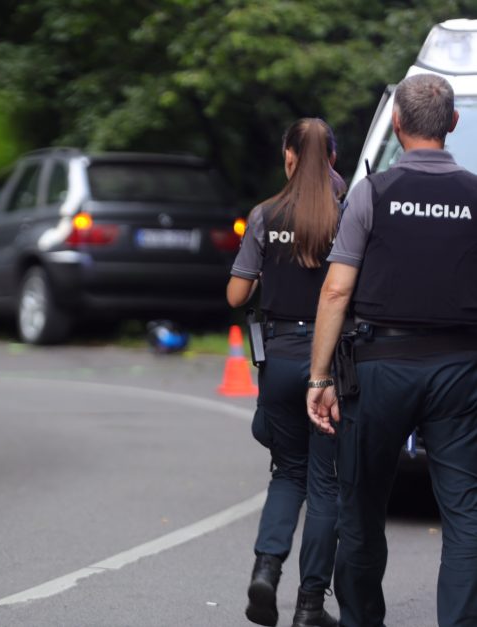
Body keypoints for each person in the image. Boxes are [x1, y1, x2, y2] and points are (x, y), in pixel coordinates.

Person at [307, 73, 477, 627]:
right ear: (452, 124)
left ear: (397, 124)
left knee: (360, 509)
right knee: (465, 515)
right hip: (459, 370)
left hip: (378, 370)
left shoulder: (371, 192)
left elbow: (336, 289)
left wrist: (318, 378)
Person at [228, 118, 345, 627]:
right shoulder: (347, 211)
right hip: (331, 365)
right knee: (326, 486)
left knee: (287, 473)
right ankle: (310, 605)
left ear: (289, 157)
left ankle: (265, 570)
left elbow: (236, 294)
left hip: (278, 357)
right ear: (334, 160)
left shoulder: (264, 214)